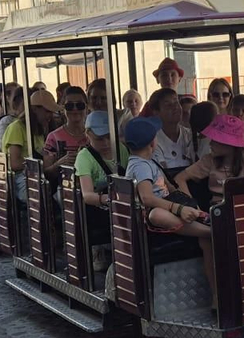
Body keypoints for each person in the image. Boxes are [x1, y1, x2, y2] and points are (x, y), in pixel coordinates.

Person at [123, 116, 213, 294]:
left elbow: (171, 189)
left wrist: (186, 203)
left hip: (169, 205)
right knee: (157, 214)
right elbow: (147, 198)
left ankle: (207, 225)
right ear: (152, 143)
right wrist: (177, 208)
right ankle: (211, 232)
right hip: (151, 215)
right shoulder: (140, 167)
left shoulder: (149, 163)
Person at [176, 114, 244, 205]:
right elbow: (179, 178)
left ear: (229, 144)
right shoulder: (209, 160)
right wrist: (192, 205)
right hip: (220, 210)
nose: (210, 144)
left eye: (216, 140)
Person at [75, 111, 122, 269]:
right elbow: (87, 195)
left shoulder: (122, 149)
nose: (107, 143)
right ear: (88, 134)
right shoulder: (84, 157)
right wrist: (108, 199)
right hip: (99, 209)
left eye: (109, 136)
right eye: (100, 139)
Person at [43, 86, 91, 179]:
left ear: (87, 107)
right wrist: (59, 164)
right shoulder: (54, 137)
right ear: (63, 108)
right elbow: (46, 173)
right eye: (69, 106)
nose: (75, 109)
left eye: (79, 105)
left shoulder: (95, 135)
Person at [145, 87, 193, 173]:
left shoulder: (190, 135)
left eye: (176, 102)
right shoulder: (154, 141)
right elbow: (164, 175)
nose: (175, 107)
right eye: (168, 105)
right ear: (156, 112)